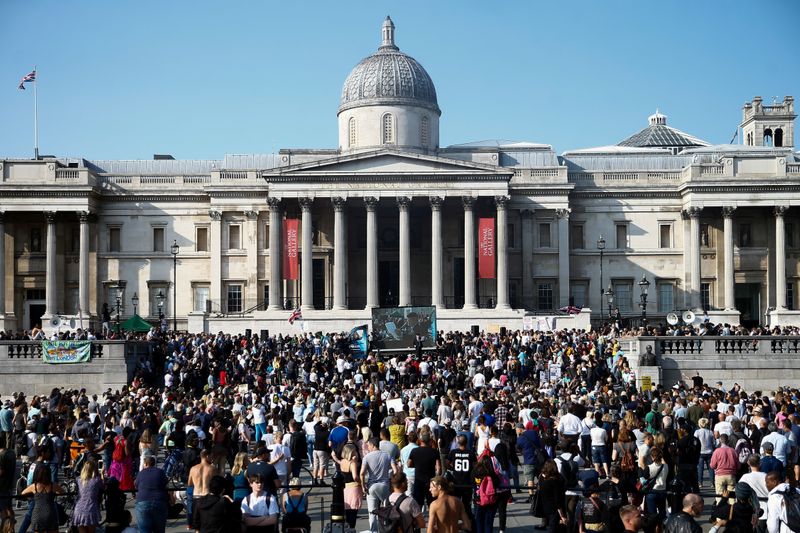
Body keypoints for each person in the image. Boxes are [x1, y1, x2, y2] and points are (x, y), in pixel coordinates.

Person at [361, 437, 398, 533]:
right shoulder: (387, 455)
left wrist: (363, 486)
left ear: (373, 445)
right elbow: (395, 470)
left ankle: (374, 531)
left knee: (372, 512)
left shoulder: (367, 457)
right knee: (386, 510)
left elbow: (361, 473)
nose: (367, 447)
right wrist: (391, 479)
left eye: (368, 445)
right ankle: (386, 529)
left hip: (372, 486)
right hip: (384, 485)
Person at [20, 464, 63, 533]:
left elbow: (23, 493)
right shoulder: (53, 485)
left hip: (37, 514)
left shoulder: (34, 486)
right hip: (50, 514)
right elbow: (62, 492)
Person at [133, 453, 168, 533]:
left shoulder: (141, 473)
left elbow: (136, 485)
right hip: (159, 500)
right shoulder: (160, 472)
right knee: (159, 530)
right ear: (154, 464)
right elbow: (165, 483)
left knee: (144, 530)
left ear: (145, 464)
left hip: (143, 501)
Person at [188, 449, 221, 530]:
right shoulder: (212, 469)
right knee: (207, 524)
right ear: (207, 456)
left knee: (197, 526)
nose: (212, 458)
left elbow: (190, 484)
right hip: (207, 497)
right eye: (211, 456)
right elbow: (218, 483)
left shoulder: (193, 469)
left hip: (196, 497)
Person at [407, 431, 441, 508]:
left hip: (418, 481)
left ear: (420, 440)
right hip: (431, 482)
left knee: (418, 504)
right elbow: (439, 469)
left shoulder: (414, 451)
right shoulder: (434, 452)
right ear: (430, 441)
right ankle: (432, 519)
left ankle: (419, 520)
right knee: (432, 504)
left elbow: (408, 464)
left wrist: (417, 465)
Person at [533, 460, 567, 533]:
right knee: (553, 528)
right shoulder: (554, 481)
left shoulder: (541, 477)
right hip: (553, 509)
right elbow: (557, 500)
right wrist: (562, 516)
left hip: (544, 506)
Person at [72, 460, 103, 533]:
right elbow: (103, 486)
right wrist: (100, 474)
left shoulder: (79, 480)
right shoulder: (97, 480)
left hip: (79, 509)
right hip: (91, 509)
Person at [710, 433, 739, 504]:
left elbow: (712, 465)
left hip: (720, 475)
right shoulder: (733, 451)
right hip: (731, 475)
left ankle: (720, 513)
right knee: (732, 495)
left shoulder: (716, 451)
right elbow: (738, 465)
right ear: (728, 440)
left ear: (720, 441)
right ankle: (733, 512)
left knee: (719, 495)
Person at [339, 444, 362, 529]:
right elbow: (355, 476)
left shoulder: (342, 461)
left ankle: (347, 529)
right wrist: (361, 482)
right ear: (351, 452)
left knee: (348, 511)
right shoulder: (352, 463)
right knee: (353, 512)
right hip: (354, 488)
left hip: (346, 488)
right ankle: (351, 529)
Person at [0, 437, 16, 532]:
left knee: (2, 510)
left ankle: (5, 529)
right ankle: (12, 528)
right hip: (9, 484)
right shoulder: (11, 453)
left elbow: (1, 471)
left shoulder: (1, 455)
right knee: (9, 508)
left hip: (1, 486)